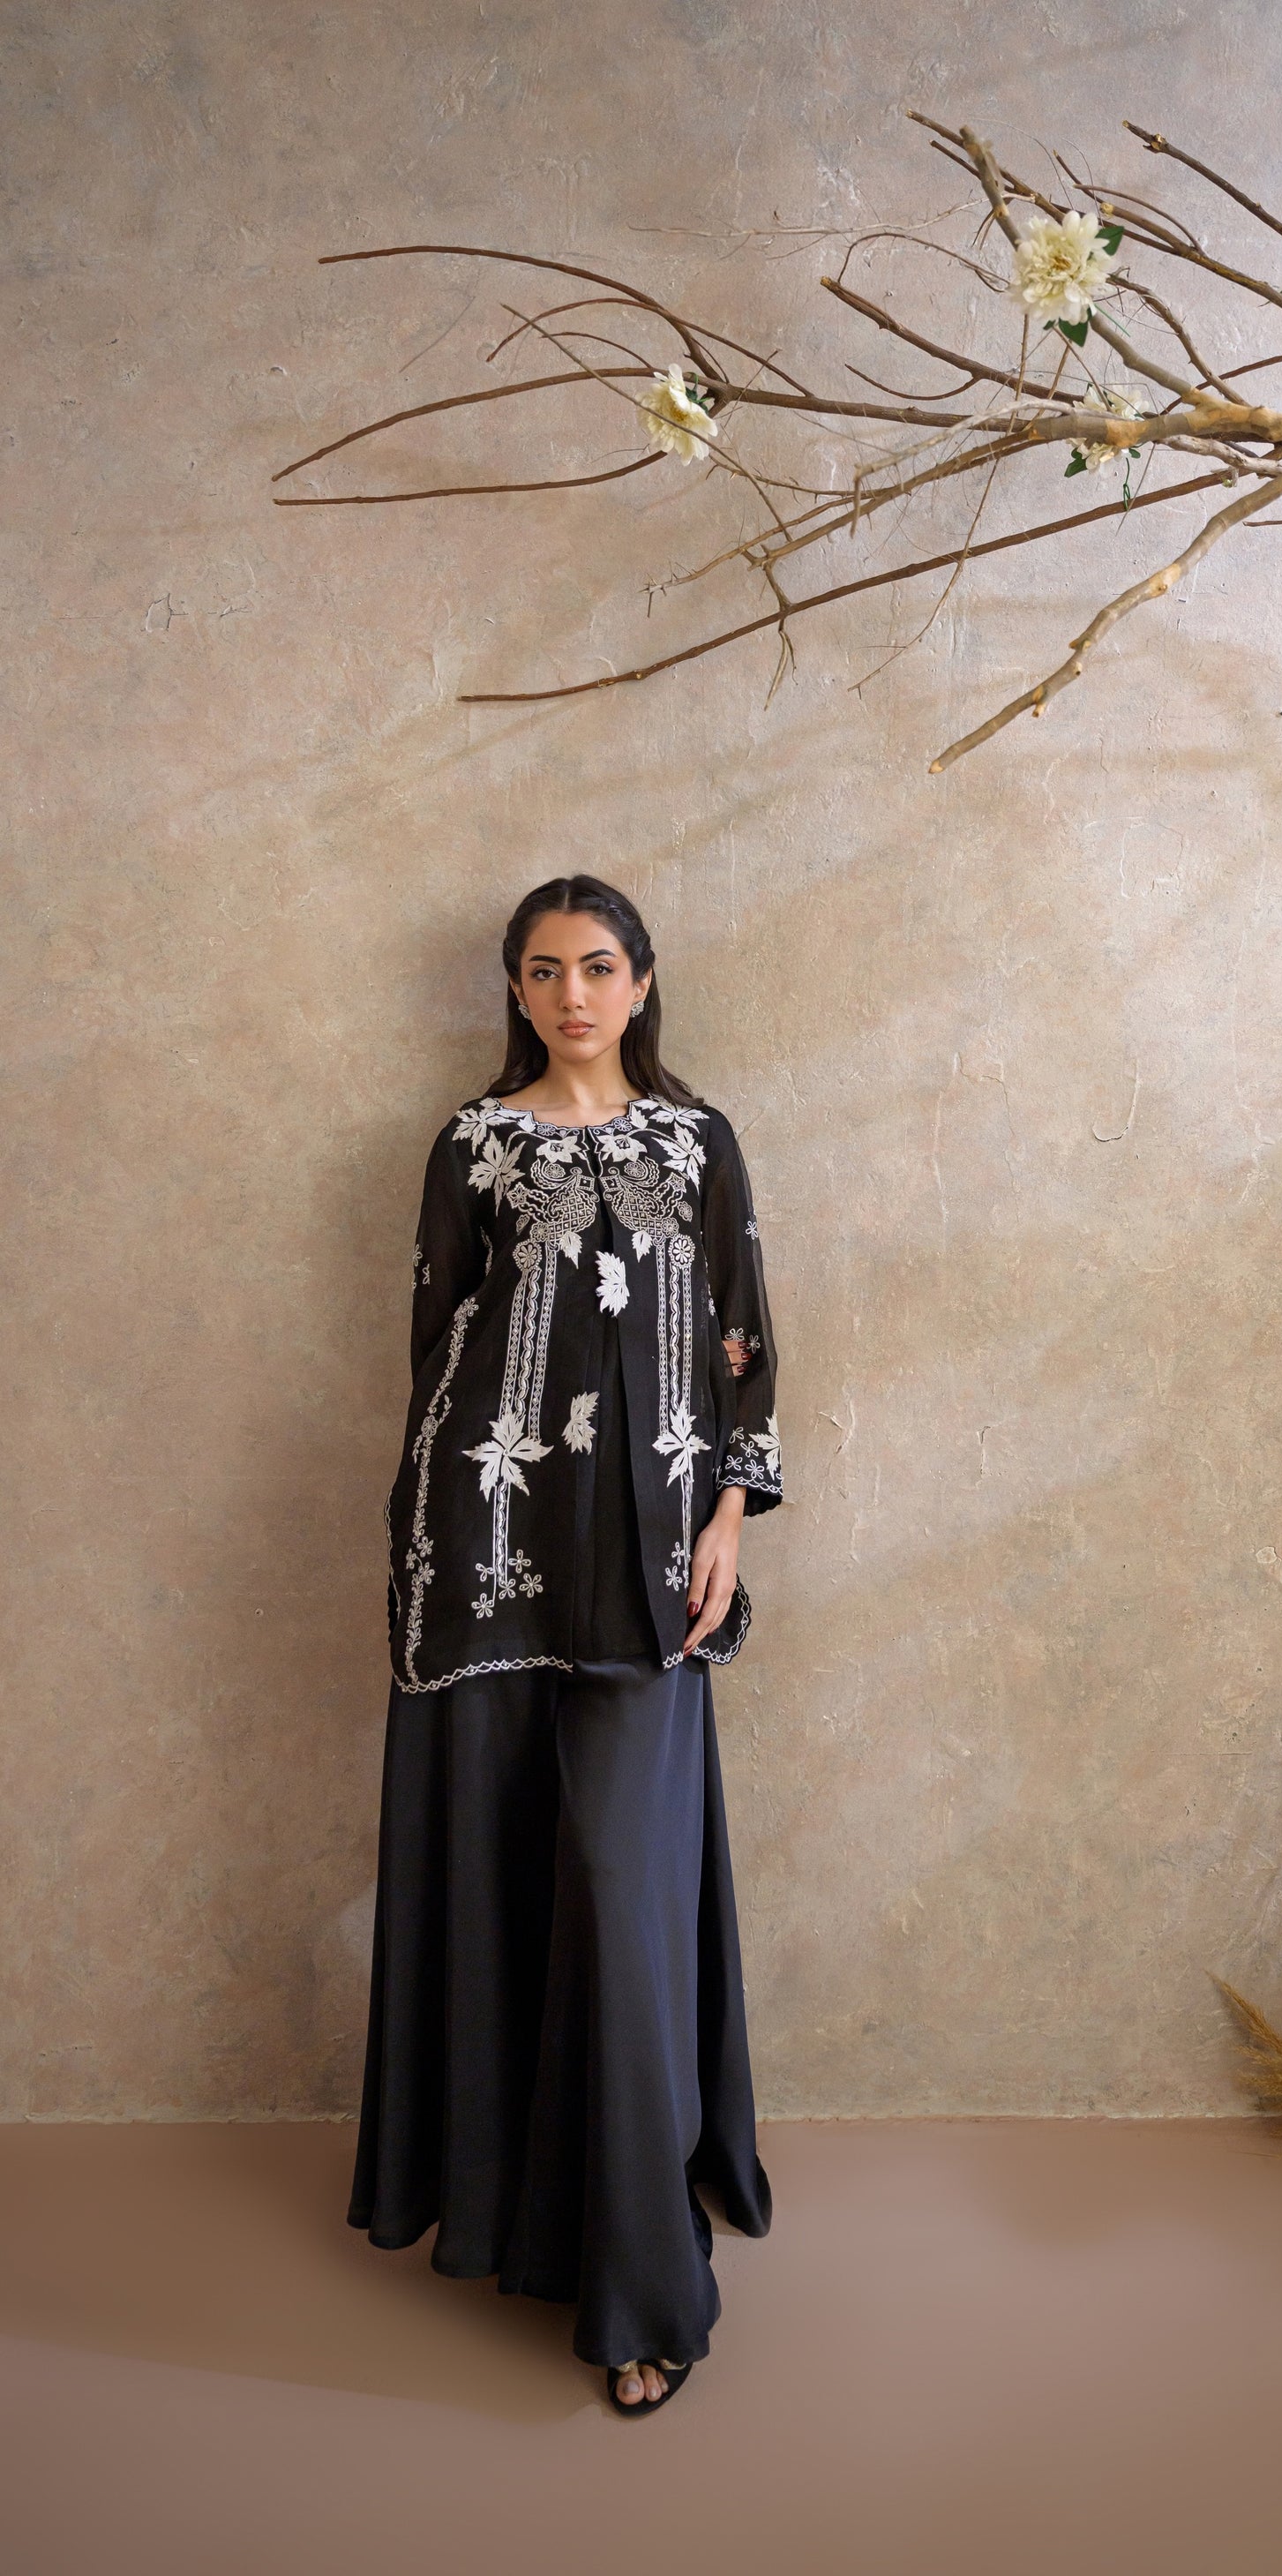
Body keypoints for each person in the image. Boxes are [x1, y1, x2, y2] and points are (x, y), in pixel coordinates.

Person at [348, 873, 782, 2415]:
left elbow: (742, 1340)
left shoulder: (697, 1142)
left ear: (643, 981)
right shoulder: (472, 1143)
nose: (572, 995)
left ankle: (641, 2281)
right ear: (517, 990)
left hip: (652, 1571)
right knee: (499, 1872)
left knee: (617, 1892)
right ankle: (512, 2212)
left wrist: (727, 1517)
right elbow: (438, 1346)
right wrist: (430, 1537)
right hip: (484, 1561)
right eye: (543, 971)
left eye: (598, 967)